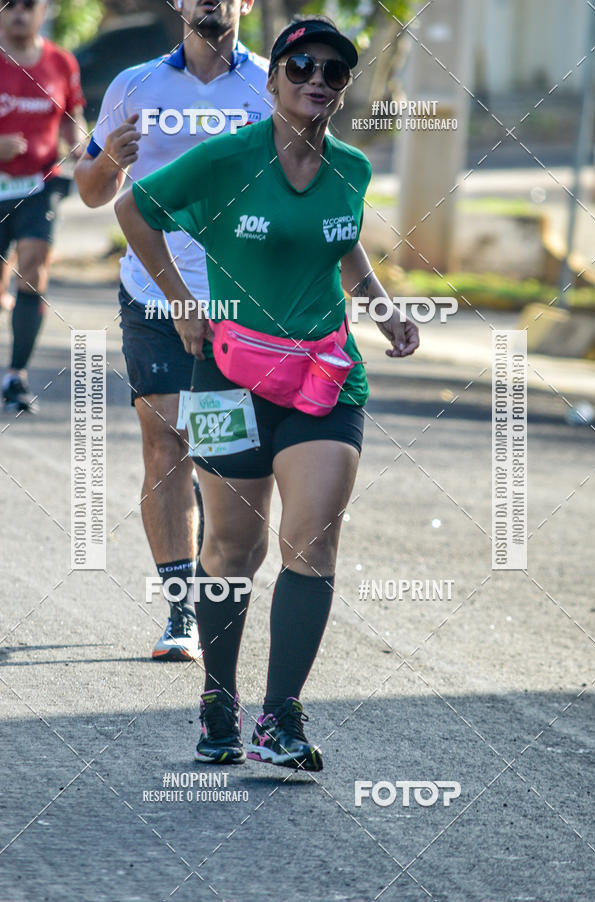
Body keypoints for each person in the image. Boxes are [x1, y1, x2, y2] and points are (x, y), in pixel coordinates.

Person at [115, 15, 419, 770]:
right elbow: (133, 210)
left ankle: (280, 718)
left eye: (334, 73)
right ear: (275, 77)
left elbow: (339, 239)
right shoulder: (226, 160)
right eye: (303, 67)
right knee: (230, 548)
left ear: (342, 89)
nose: (318, 81)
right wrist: (182, 303)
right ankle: (220, 697)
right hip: (227, 377)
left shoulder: (351, 166)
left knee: (311, 541)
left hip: (325, 376)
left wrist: (381, 308)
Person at [75, 0, 272, 662]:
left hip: (241, 303)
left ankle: (217, 578)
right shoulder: (134, 85)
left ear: (246, 3)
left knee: (219, 449)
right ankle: (181, 610)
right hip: (154, 294)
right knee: (166, 442)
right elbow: (90, 189)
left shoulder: (273, 84)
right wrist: (110, 163)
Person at [0, 0, 86, 413]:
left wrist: (83, 145)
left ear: (43, 10)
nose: (18, 12)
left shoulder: (61, 62)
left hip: (40, 186)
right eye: (9, 5)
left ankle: (15, 376)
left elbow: (72, 116)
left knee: (33, 270)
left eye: (28, 5)